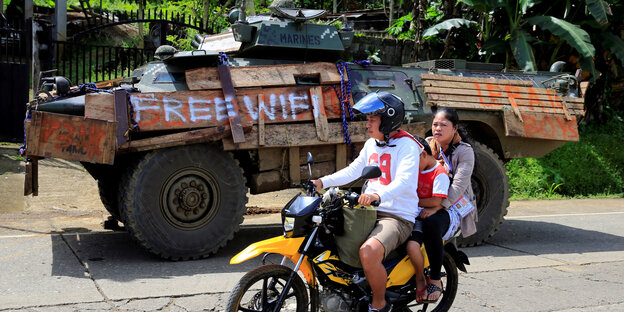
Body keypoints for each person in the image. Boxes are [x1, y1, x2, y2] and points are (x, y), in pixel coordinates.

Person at [312, 91, 423, 312]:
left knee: (368, 252)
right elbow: (355, 170)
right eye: (367, 119)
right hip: (367, 210)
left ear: (389, 118)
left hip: (396, 215)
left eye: (372, 119)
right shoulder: (373, 143)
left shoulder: (408, 146)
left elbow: (404, 180)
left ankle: (379, 304)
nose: (367, 124)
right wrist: (322, 181)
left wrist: (378, 196)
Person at [419, 107, 478, 303]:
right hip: (427, 199)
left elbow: (458, 186)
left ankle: (435, 278)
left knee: (431, 224)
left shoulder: (465, 152)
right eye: (435, 124)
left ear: (455, 128)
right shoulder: (428, 145)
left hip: (452, 204)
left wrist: (438, 205)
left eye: (443, 125)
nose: (438, 128)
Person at [405, 136, 452, 303]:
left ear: (423, 154)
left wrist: (411, 201)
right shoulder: (415, 170)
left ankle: (434, 278)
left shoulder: (439, 173)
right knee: (410, 246)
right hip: (414, 213)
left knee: (429, 229)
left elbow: (436, 201)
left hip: (428, 215)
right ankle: (416, 277)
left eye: (412, 158)